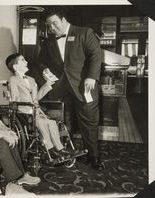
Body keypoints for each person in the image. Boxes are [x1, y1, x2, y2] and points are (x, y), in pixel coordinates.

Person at [37, 7, 104, 171]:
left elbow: (96, 55)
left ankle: (93, 156)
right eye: (49, 25)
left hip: (84, 86)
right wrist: (44, 70)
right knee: (63, 122)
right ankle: (65, 153)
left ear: (64, 20)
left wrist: (92, 76)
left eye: (55, 23)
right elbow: (40, 62)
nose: (52, 28)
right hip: (61, 89)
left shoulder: (85, 33)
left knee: (88, 122)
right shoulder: (48, 41)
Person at [5, 53, 86, 161]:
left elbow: (36, 98)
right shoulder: (13, 80)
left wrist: (48, 84)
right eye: (23, 60)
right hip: (24, 113)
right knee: (43, 122)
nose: (27, 62)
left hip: (36, 111)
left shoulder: (31, 80)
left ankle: (60, 149)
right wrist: (21, 105)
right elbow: (14, 99)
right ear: (15, 66)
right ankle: (50, 150)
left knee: (51, 122)